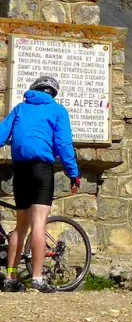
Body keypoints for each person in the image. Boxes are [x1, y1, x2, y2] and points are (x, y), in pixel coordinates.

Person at [0, 75, 81, 293]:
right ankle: (37, 278)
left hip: (21, 169)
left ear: (34, 90)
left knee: (20, 226)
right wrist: (74, 174)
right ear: (53, 93)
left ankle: (10, 278)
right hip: (42, 169)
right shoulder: (57, 111)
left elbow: (0, 136)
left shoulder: (20, 108)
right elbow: (64, 144)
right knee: (39, 224)